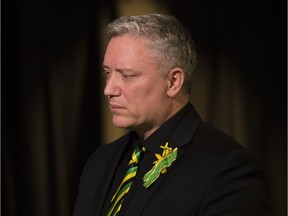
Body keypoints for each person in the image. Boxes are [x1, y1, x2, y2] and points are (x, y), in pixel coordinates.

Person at [73, 13, 270, 216]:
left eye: (127, 75)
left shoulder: (226, 170)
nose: (109, 89)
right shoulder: (100, 161)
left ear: (174, 82)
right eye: (108, 73)